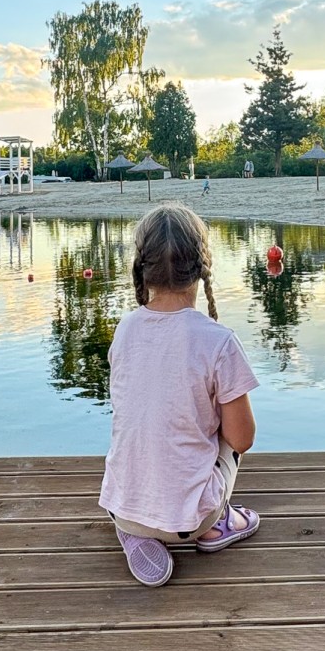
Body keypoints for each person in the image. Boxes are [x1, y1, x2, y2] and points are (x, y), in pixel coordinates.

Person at [98, 203, 260, 586]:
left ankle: (135, 530)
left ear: (143, 267)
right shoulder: (218, 341)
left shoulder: (125, 329)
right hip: (191, 522)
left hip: (120, 506)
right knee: (228, 436)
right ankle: (217, 524)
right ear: (203, 266)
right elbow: (243, 439)